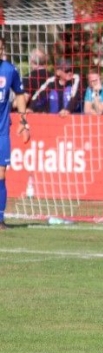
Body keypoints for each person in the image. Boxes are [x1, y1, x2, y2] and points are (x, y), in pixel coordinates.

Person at [0, 36, 29, 231]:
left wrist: (24, 120)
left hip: (1, 132)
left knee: (1, 176)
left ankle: (0, 219)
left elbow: (19, 94)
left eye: (0, 47)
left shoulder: (9, 70)